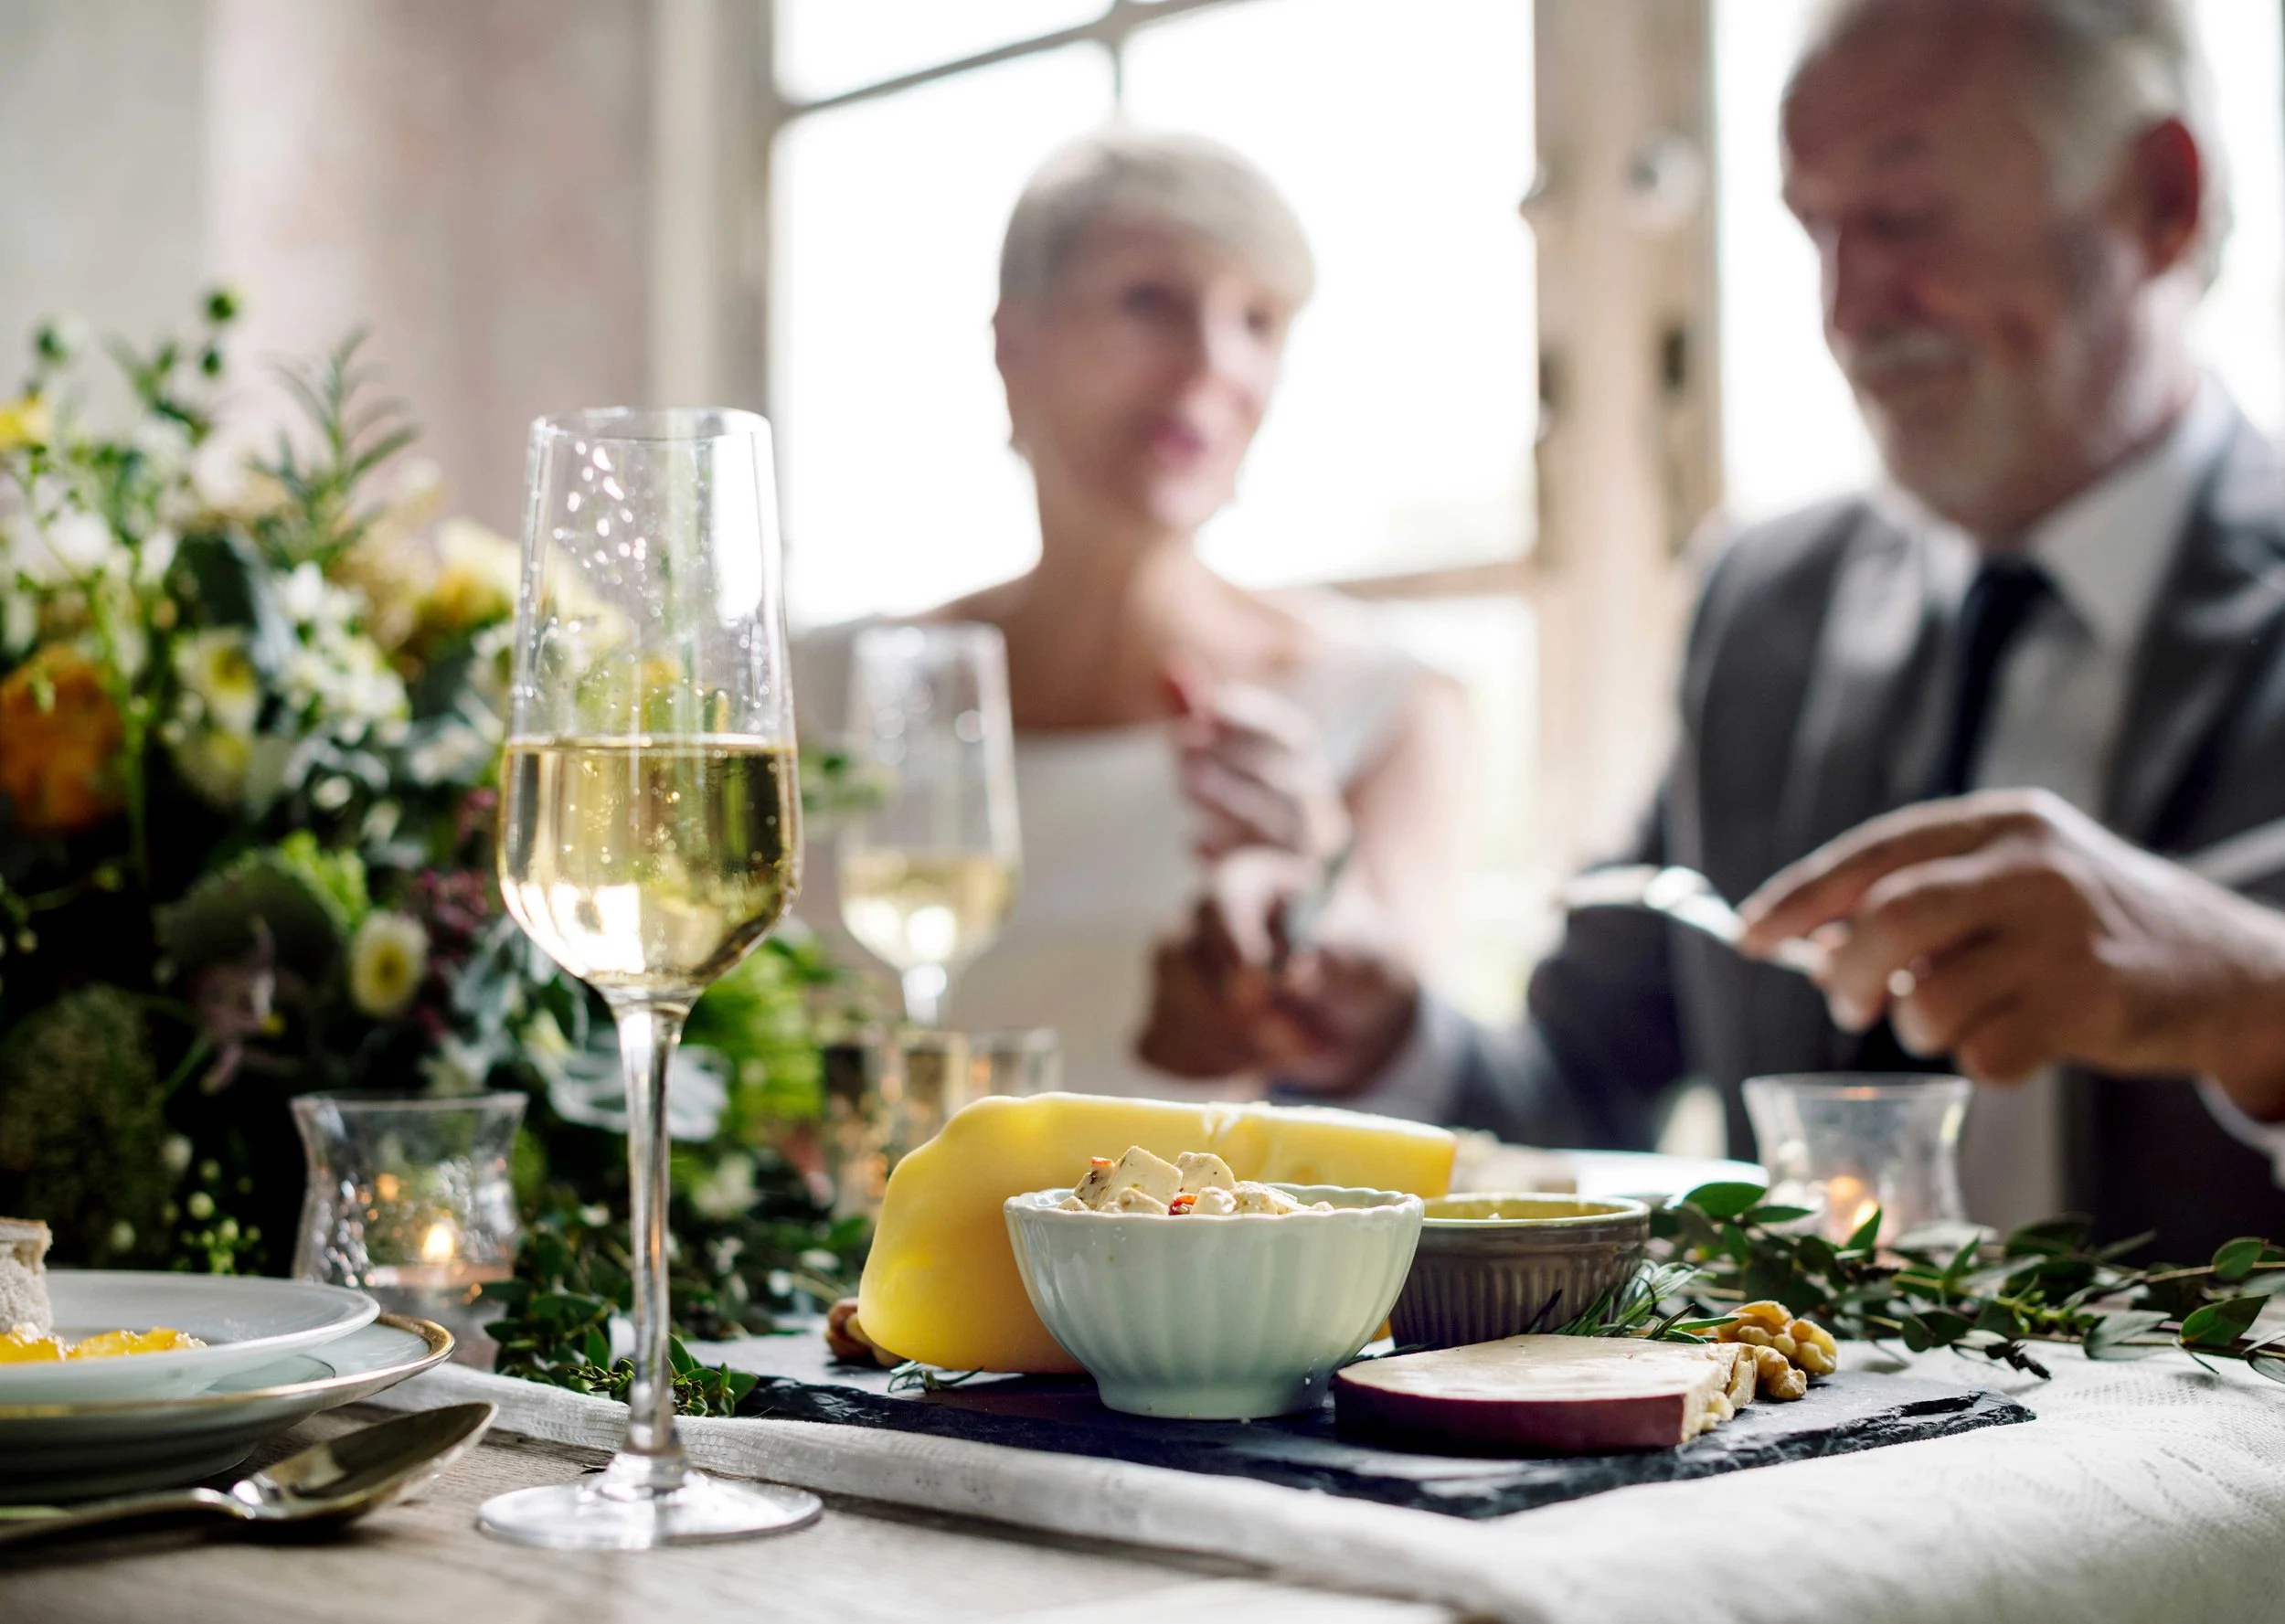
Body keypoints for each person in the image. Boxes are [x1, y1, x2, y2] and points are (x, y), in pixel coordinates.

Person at [1159, 0, 2285, 1258]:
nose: (1849, 309)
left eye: (1908, 219)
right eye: (1817, 230)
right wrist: (1379, 1040)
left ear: (2160, 200)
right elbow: (1575, 1089)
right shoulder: (1765, 608)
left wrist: (2260, 1006)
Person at [795, 129, 1468, 1098]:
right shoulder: (822, 691)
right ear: (1012, 346)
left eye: (1258, 320)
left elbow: (1411, 1097)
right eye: (1150, 300)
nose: (1211, 364)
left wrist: (1316, 901)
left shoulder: (1384, 705)